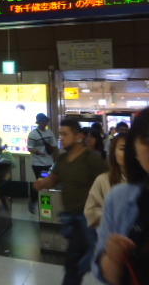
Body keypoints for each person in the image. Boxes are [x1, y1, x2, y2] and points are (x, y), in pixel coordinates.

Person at [34, 118, 108, 285]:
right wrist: (42, 183)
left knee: (74, 263)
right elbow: (54, 178)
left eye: (65, 134)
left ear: (78, 136)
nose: (61, 138)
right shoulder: (62, 159)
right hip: (71, 218)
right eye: (60, 134)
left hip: (87, 219)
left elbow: (107, 182)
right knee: (76, 261)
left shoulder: (92, 158)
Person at [93, 109, 149, 284]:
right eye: (147, 140)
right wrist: (113, 259)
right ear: (135, 150)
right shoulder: (120, 198)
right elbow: (101, 269)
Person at [85, 133, 127, 228]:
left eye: (132, 149)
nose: (128, 153)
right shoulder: (103, 180)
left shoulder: (143, 181)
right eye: (122, 149)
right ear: (114, 152)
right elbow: (90, 211)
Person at [27, 113, 58, 214]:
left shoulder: (50, 132)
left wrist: (54, 153)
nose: (45, 123)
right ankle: (34, 200)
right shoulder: (33, 134)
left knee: (47, 183)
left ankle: (45, 204)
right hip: (37, 164)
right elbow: (29, 148)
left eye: (46, 121)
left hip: (49, 162)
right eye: (43, 121)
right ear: (39, 122)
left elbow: (54, 146)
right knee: (40, 182)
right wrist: (37, 152)